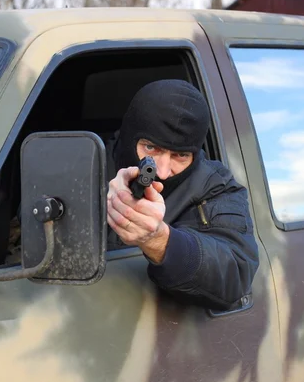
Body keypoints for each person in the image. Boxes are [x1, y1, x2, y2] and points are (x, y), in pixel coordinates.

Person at [105, 79, 259, 312]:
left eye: (180, 155)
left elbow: (236, 273)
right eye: (151, 148)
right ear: (129, 137)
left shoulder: (214, 185)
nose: (163, 172)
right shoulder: (83, 164)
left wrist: (160, 240)